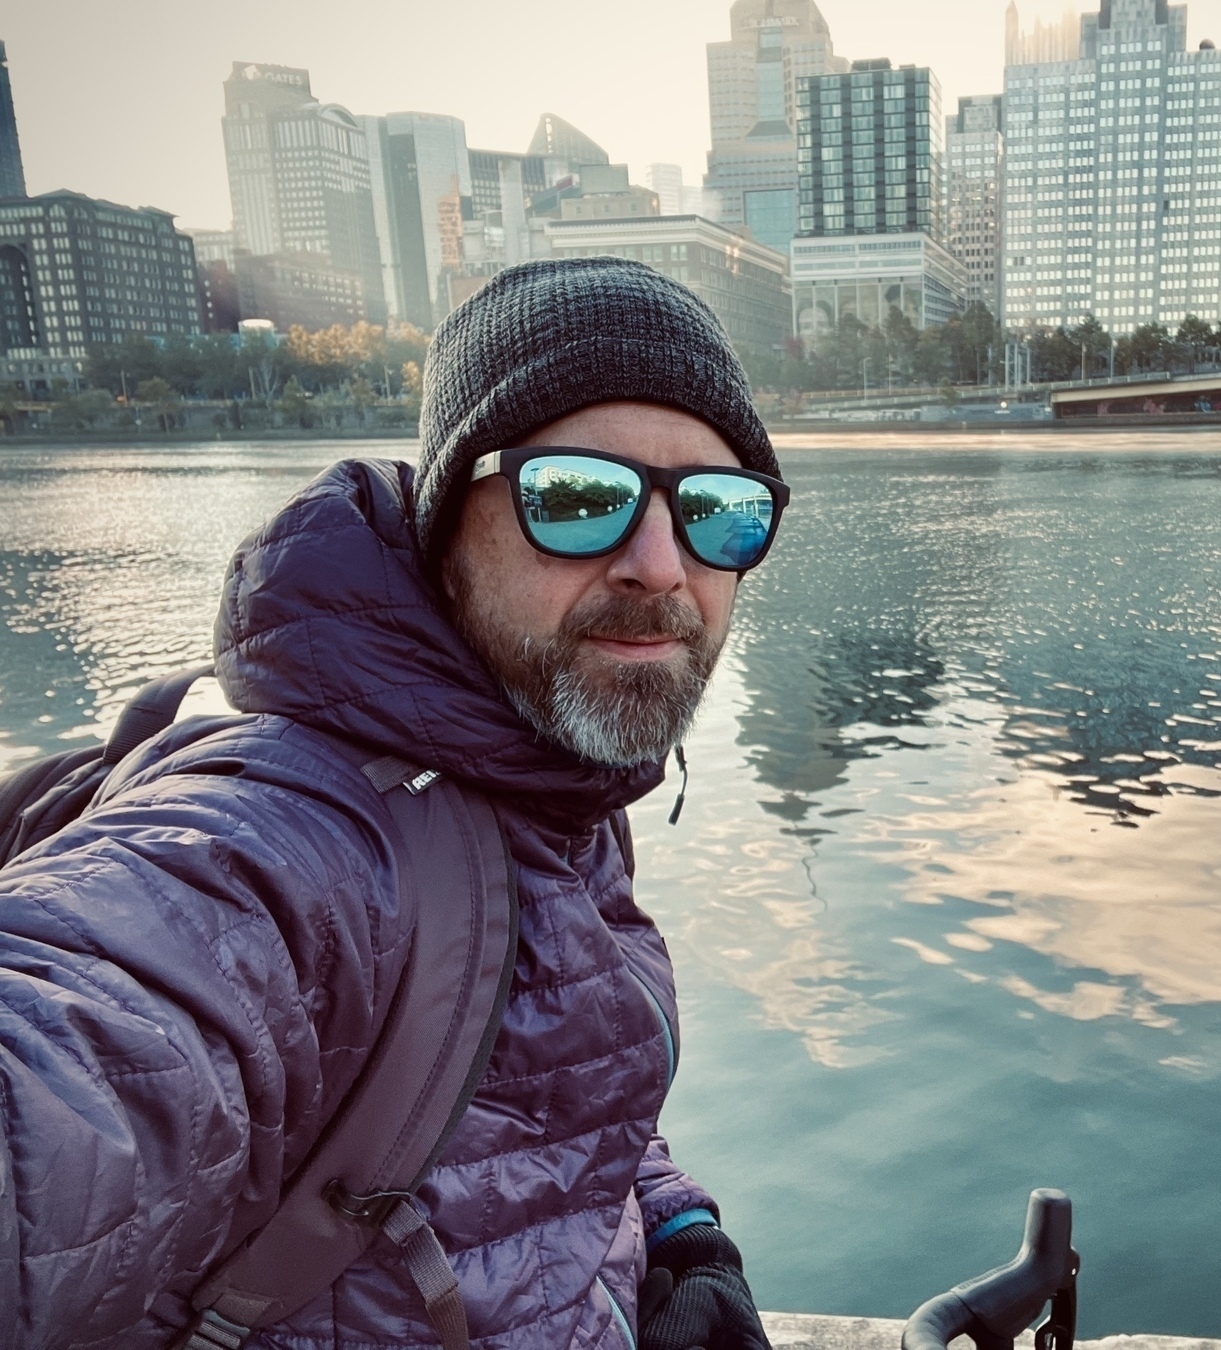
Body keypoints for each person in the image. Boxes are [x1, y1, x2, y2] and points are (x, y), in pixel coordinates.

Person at [0, 259, 786, 1349]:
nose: (662, 565)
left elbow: (523, 1090)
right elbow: (84, 1053)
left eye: (720, 511)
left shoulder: (548, 773)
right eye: (577, 497)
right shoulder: (298, 842)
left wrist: (677, 1224)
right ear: (443, 527)